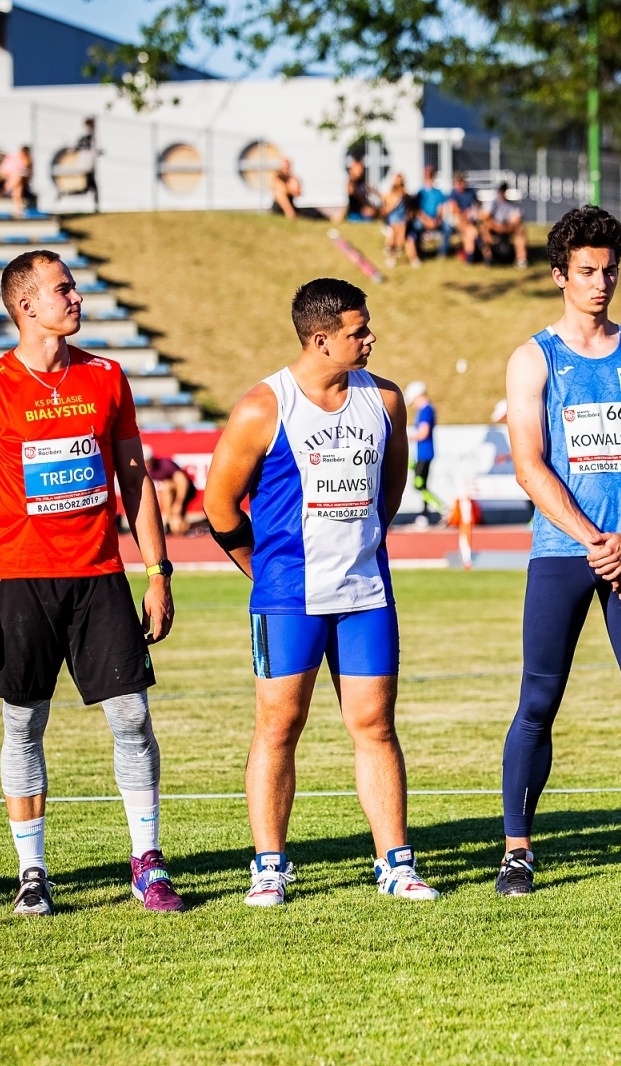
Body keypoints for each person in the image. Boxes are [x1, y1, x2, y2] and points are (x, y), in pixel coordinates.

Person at [0, 249, 180, 915]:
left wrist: (156, 573)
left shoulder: (107, 377)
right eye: (63, 289)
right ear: (27, 306)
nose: (75, 298)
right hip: (21, 582)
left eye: (73, 287)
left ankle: (148, 861)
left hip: (100, 576)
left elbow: (135, 481)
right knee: (23, 724)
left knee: (132, 716)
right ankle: (32, 872)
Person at [201, 277, 438, 907]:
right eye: (360, 331)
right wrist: (265, 569)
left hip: (366, 594)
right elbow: (218, 504)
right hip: (287, 599)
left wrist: (361, 547)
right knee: (279, 726)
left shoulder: (385, 400)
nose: (371, 338)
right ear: (321, 339)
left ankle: (396, 863)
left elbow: (390, 490)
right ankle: (270, 865)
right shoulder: (263, 406)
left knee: (375, 725)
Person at [496, 206, 621, 895]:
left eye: (609, 271)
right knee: (538, 701)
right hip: (562, 554)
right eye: (586, 272)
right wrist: (593, 540)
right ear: (559, 276)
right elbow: (529, 465)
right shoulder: (534, 357)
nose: (601, 283)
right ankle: (517, 852)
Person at [405, 380, 441, 520]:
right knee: (421, 485)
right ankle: (425, 514)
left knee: (419, 485)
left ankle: (440, 509)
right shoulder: (425, 410)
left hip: (425, 454)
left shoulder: (426, 410)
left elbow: (423, 433)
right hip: (422, 453)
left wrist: (404, 437)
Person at [144, 445, 196, 536]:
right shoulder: (144, 469)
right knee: (175, 527)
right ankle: (171, 522)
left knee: (168, 486)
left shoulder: (165, 465)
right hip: (172, 494)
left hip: (186, 492)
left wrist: (178, 503)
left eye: (148, 461)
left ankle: (174, 521)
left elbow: (183, 482)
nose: (147, 464)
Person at [483, 184, 528, 270]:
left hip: (508, 227)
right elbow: (486, 217)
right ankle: (488, 258)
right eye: (501, 190)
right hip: (494, 227)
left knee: (520, 229)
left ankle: (521, 260)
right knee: (485, 228)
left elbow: (516, 218)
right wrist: (496, 227)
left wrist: (507, 227)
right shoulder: (493, 203)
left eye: (504, 190)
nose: (502, 193)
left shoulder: (511, 204)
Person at [410, 165, 449, 260]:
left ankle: (442, 252)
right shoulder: (420, 192)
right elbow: (418, 211)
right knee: (416, 227)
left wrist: (437, 220)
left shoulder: (438, 193)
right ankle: (418, 251)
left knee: (447, 228)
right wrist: (427, 221)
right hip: (423, 220)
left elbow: (441, 209)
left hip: (435, 219)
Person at [444, 172, 481, 262]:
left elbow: (477, 205)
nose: (460, 184)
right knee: (469, 231)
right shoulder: (453, 194)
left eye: (462, 182)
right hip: (458, 219)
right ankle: (479, 247)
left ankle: (470, 258)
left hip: (469, 219)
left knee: (468, 234)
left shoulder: (471, 192)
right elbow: (455, 210)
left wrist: (470, 213)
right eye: (458, 182)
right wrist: (466, 214)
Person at [381, 174, 415, 268]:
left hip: (401, 220)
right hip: (393, 220)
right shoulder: (391, 194)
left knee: (400, 231)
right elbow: (387, 207)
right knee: (394, 233)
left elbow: (409, 207)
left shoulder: (405, 195)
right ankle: (392, 254)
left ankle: (395, 253)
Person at [75, 118, 100, 211]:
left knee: (92, 187)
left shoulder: (92, 137)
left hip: (89, 166)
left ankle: (96, 206)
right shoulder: (86, 138)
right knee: (87, 187)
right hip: (86, 166)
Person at [344, 157, 379, 222]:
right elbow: (359, 197)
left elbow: (376, 192)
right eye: (358, 168)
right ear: (352, 170)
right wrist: (368, 207)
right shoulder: (351, 184)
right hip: (355, 215)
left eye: (361, 168)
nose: (360, 170)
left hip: (367, 213)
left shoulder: (364, 183)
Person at [0, 146, 31, 215]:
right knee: (17, 185)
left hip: (20, 178)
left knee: (17, 180)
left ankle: (6, 188)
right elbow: (5, 170)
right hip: (13, 177)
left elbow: (26, 171)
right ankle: (7, 188)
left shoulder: (27, 160)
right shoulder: (13, 157)